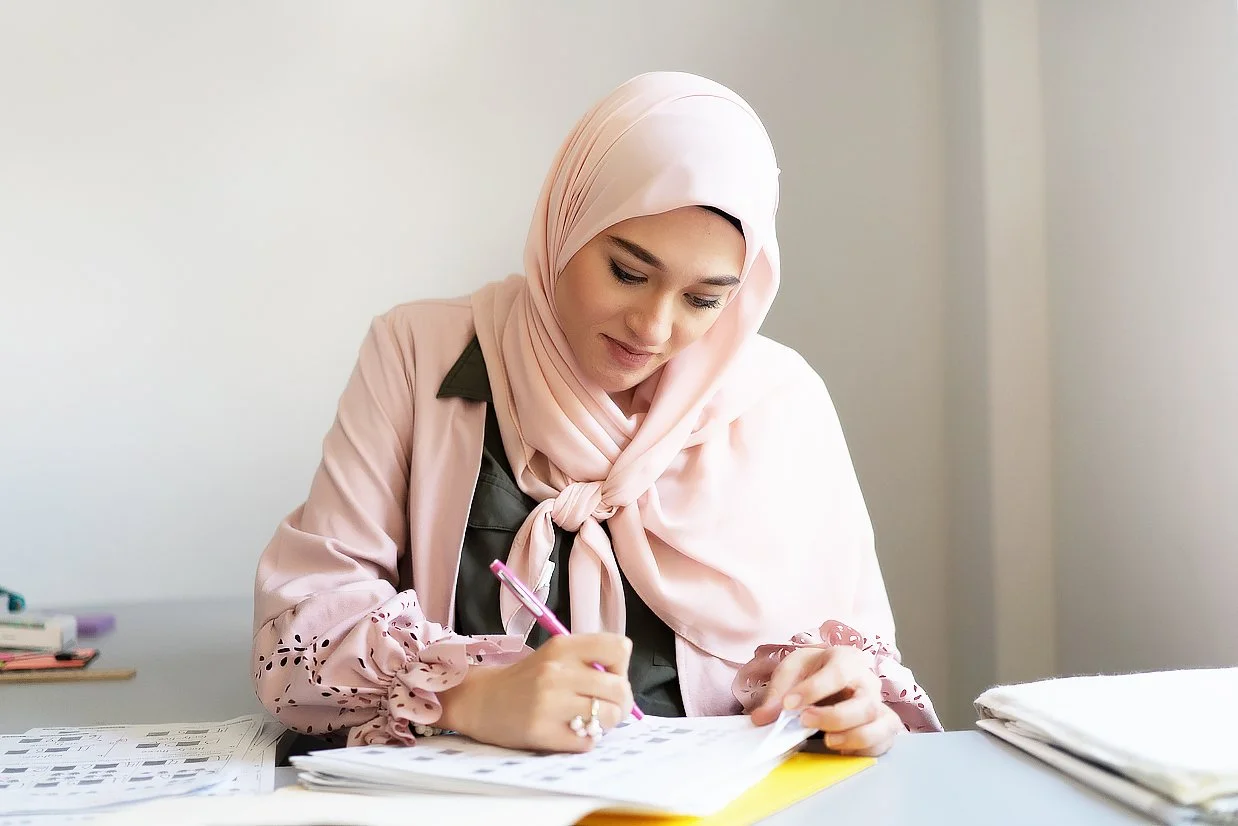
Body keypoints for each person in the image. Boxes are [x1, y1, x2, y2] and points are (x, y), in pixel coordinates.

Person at [252, 71, 942, 759]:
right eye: (628, 273)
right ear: (567, 222)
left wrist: (853, 697)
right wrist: (471, 694)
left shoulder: (780, 400)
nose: (652, 326)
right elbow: (300, 627)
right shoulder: (418, 353)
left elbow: (859, 660)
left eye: (703, 301)